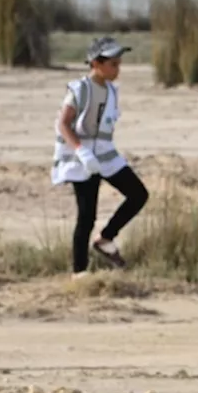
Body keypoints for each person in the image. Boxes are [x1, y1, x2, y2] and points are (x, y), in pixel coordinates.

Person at [52, 36, 149, 278]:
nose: (118, 69)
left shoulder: (112, 91)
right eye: (113, 64)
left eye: (119, 63)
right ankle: (79, 273)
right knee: (86, 215)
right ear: (96, 63)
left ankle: (106, 238)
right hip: (81, 157)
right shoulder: (79, 89)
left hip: (106, 155)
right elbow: (63, 123)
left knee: (138, 194)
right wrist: (80, 151)